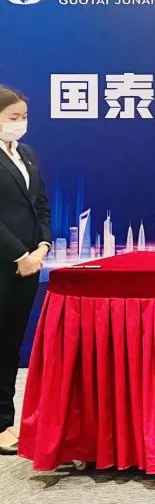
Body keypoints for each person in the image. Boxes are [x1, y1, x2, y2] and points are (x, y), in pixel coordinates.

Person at [0, 86, 51, 454]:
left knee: (10, 345)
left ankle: (5, 419)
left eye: (24, 117)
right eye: (12, 117)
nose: (20, 123)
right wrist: (19, 255)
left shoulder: (27, 154)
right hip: (7, 263)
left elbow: (41, 205)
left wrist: (43, 246)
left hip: (30, 265)